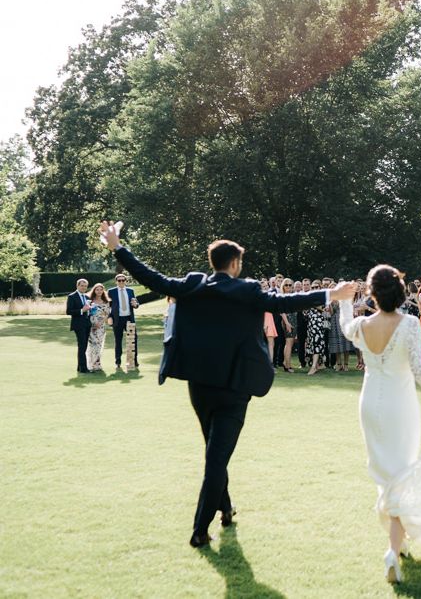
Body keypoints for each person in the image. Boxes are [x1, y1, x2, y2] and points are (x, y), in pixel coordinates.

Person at [98, 220, 356, 548]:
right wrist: (332, 293)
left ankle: (226, 507)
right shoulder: (247, 290)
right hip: (235, 385)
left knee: (214, 452)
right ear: (234, 264)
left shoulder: (193, 285)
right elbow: (283, 303)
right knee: (216, 457)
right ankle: (199, 530)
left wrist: (118, 247)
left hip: (200, 385)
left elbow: (152, 278)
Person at [339, 265, 421, 584]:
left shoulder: (361, 324)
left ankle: (398, 544)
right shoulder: (409, 323)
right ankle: (393, 549)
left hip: (370, 404)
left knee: (389, 476)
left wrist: (344, 299)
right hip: (399, 406)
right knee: (400, 476)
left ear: (372, 293)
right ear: (399, 292)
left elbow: (345, 325)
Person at [108, 274, 139, 369]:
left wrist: (136, 304)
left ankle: (134, 360)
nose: (121, 282)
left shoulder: (130, 291)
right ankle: (118, 362)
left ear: (126, 281)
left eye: (123, 280)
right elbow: (107, 306)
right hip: (117, 320)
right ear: (116, 281)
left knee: (133, 340)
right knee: (118, 341)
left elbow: (136, 304)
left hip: (129, 319)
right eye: (119, 280)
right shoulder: (111, 291)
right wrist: (109, 316)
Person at [66, 278, 92, 373]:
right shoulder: (72, 296)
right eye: (82, 285)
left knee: (84, 346)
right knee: (82, 346)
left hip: (87, 324)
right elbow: (68, 311)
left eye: (85, 286)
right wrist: (82, 310)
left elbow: (88, 310)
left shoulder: (87, 297)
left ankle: (80, 367)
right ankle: (83, 368)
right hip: (78, 325)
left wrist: (91, 310)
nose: (84, 287)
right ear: (77, 286)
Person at [86, 283, 111, 371]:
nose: (99, 291)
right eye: (97, 289)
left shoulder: (106, 301)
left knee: (99, 345)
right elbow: (87, 312)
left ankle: (97, 364)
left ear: (103, 291)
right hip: (91, 326)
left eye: (101, 289)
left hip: (101, 326)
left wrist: (99, 324)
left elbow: (107, 314)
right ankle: (90, 364)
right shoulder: (90, 301)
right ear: (94, 290)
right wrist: (93, 324)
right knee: (91, 345)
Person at [304, 280, 327, 375]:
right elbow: (305, 312)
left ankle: (314, 367)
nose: (314, 289)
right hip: (311, 323)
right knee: (312, 343)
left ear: (320, 287)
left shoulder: (322, 296)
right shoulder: (310, 297)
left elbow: (322, 308)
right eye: (312, 287)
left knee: (317, 343)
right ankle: (316, 365)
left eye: (316, 287)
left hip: (318, 323)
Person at [280, 278, 298, 373]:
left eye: (290, 285)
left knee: (289, 343)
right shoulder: (282, 297)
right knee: (289, 344)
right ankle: (288, 365)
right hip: (288, 321)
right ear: (283, 286)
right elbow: (282, 311)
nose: (288, 287)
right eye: (286, 285)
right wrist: (287, 323)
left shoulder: (292, 296)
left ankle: (285, 362)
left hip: (293, 320)